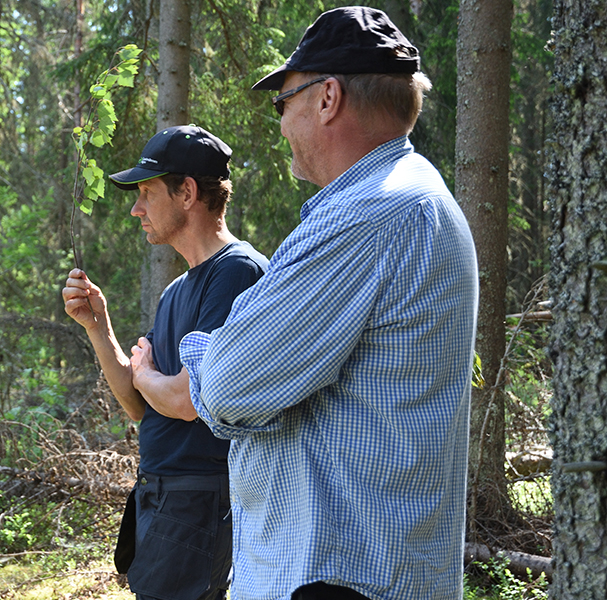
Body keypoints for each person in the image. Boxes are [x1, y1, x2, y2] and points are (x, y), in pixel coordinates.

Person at [178, 7, 479, 600]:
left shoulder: (366, 217)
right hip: (369, 572)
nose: (281, 123)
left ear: (327, 98)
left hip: (334, 577)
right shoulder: (413, 197)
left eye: (283, 103)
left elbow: (229, 385)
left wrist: (200, 350)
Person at [62, 125, 268, 600]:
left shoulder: (237, 272)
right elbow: (142, 405)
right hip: (160, 496)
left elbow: (187, 399)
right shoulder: (178, 289)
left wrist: (150, 375)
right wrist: (98, 324)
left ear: (188, 192)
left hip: (201, 502)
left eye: (147, 193)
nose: (136, 208)